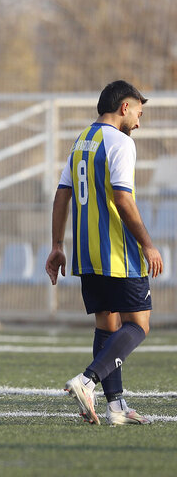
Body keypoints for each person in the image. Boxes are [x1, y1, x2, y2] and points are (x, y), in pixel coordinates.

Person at [46, 80, 163, 425]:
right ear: (124, 107)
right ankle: (86, 380)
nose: (139, 123)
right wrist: (147, 244)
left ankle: (116, 408)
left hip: (86, 253)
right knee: (139, 325)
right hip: (117, 251)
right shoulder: (120, 142)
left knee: (108, 326)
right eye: (139, 113)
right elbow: (124, 200)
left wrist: (57, 245)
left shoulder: (81, 140)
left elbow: (62, 194)